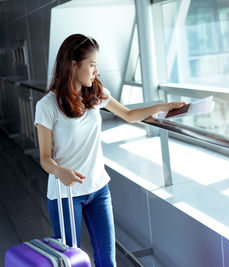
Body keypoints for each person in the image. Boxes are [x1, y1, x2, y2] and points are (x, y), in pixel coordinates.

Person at [34, 34, 184, 266]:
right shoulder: (47, 106)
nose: (95, 71)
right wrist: (59, 171)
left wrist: (163, 106)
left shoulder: (95, 94)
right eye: (91, 65)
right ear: (74, 65)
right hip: (66, 195)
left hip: (98, 189)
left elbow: (129, 115)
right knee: (70, 262)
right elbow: (44, 158)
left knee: (108, 262)